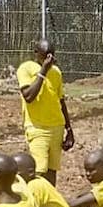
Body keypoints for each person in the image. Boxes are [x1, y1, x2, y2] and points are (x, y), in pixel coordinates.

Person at [17, 40, 75, 185]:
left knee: (51, 171)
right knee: (38, 172)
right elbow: (29, 96)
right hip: (37, 128)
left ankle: (49, 201)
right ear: (36, 53)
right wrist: (43, 71)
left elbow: (60, 101)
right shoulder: (26, 68)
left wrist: (69, 129)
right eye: (45, 55)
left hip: (57, 127)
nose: (49, 59)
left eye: (52, 55)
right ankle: (37, 202)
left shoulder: (56, 72)